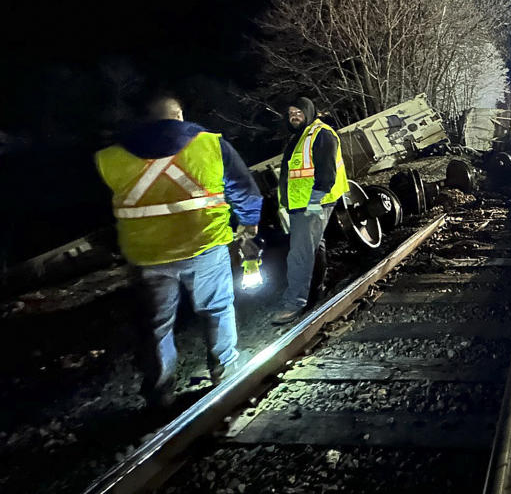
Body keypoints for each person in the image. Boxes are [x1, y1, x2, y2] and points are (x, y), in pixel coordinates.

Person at [95, 96, 262, 407]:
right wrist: (249, 224)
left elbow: (99, 213)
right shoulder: (210, 144)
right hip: (204, 246)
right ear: (180, 115)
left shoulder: (110, 157)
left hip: (147, 257)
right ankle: (224, 371)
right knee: (216, 310)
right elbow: (243, 188)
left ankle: (160, 391)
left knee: (156, 326)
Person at [271, 96, 349, 324]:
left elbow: (326, 174)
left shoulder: (321, 134)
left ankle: (294, 303)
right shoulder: (300, 137)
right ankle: (316, 290)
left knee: (300, 253)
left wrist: (314, 203)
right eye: (291, 113)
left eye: (298, 112)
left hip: (314, 203)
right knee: (314, 247)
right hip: (301, 205)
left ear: (309, 112)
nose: (294, 116)